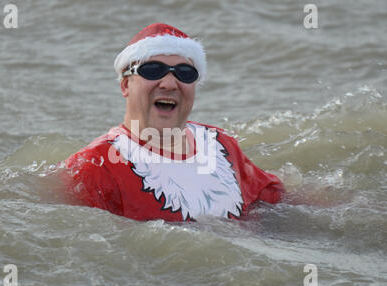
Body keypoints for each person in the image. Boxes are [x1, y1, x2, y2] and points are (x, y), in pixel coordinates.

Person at [59, 23, 284, 222]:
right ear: (125, 85)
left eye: (184, 73)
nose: (169, 83)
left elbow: (278, 202)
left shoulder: (222, 145)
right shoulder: (94, 166)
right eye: (153, 70)